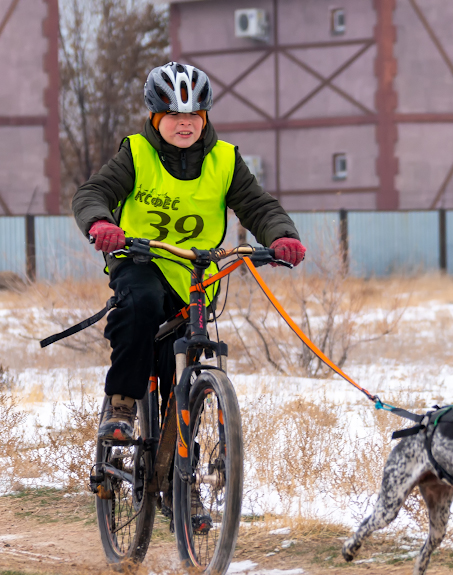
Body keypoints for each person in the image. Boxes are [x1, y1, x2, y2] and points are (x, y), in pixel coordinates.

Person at [72, 62, 306, 440]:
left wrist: (281, 236)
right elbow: (92, 193)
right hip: (139, 260)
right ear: (154, 115)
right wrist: (101, 223)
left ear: (205, 115)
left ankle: (183, 474)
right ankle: (122, 403)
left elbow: (258, 207)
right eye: (173, 115)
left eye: (194, 115)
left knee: (179, 364)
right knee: (141, 305)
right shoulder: (137, 153)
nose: (185, 124)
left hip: (196, 274)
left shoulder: (225, 160)